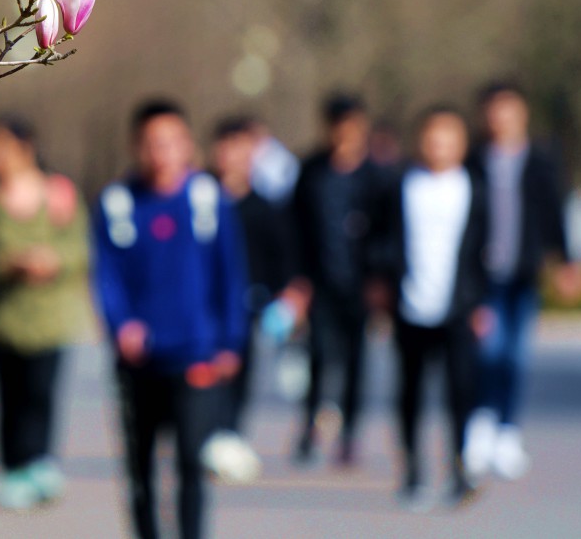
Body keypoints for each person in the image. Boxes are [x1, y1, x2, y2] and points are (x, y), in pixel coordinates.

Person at [93, 100, 247, 539]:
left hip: (195, 353)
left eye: (170, 141)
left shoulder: (208, 200)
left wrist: (230, 342)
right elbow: (106, 275)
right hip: (139, 360)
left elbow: (229, 274)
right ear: (137, 146)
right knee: (139, 468)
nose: (161, 152)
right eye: (151, 143)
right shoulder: (118, 202)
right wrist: (121, 323)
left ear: (187, 145)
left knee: (191, 464)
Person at [0, 117, 90, 510]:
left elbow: (80, 250)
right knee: (9, 396)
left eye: (0, 149)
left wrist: (52, 262)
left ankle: (40, 462)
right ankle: (13, 467)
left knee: (42, 393)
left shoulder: (59, 195)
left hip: (50, 318)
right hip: (5, 318)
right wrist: (9, 264)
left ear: (25, 149)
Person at [464, 81, 581, 480]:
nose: (501, 118)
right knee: (488, 351)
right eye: (495, 110)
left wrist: (566, 261)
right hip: (484, 274)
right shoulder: (475, 160)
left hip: (522, 272)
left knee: (515, 355)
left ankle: (507, 432)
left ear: (522, 113)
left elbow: (555, 211)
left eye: (508, 109)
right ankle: (480, 424)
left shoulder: (540, 159)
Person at [380, 107, 490, 509]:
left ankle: (460, 469)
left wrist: (480, 302)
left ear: (461, 143)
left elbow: (483, 252)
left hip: (458, 308)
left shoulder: (474, 189)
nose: (439, 146)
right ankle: (411, 470)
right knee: (409, 392)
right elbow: (381, 241)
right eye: (432, 136)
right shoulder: (400, 186)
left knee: (460, 392)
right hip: (410, 307)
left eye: (448, 137)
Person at [290, 93, 389, 466]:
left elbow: (386, 232)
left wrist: (381, 279)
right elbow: (295, 228)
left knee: (355, 362)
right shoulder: (311, 172)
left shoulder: (376, 177)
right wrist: (297, 281)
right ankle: (309, 426)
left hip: (360, 285)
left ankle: (349, 435)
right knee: (317, 357)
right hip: (320, 282)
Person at [210, 116, 304, 441]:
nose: (231, 157)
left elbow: (282, 255)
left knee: (240, 367)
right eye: (226, 148)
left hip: (249, 301)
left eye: (240, 149)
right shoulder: (201, 199)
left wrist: (287, 294)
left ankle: (231, 433)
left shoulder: (264, 206)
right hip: (205, 302)